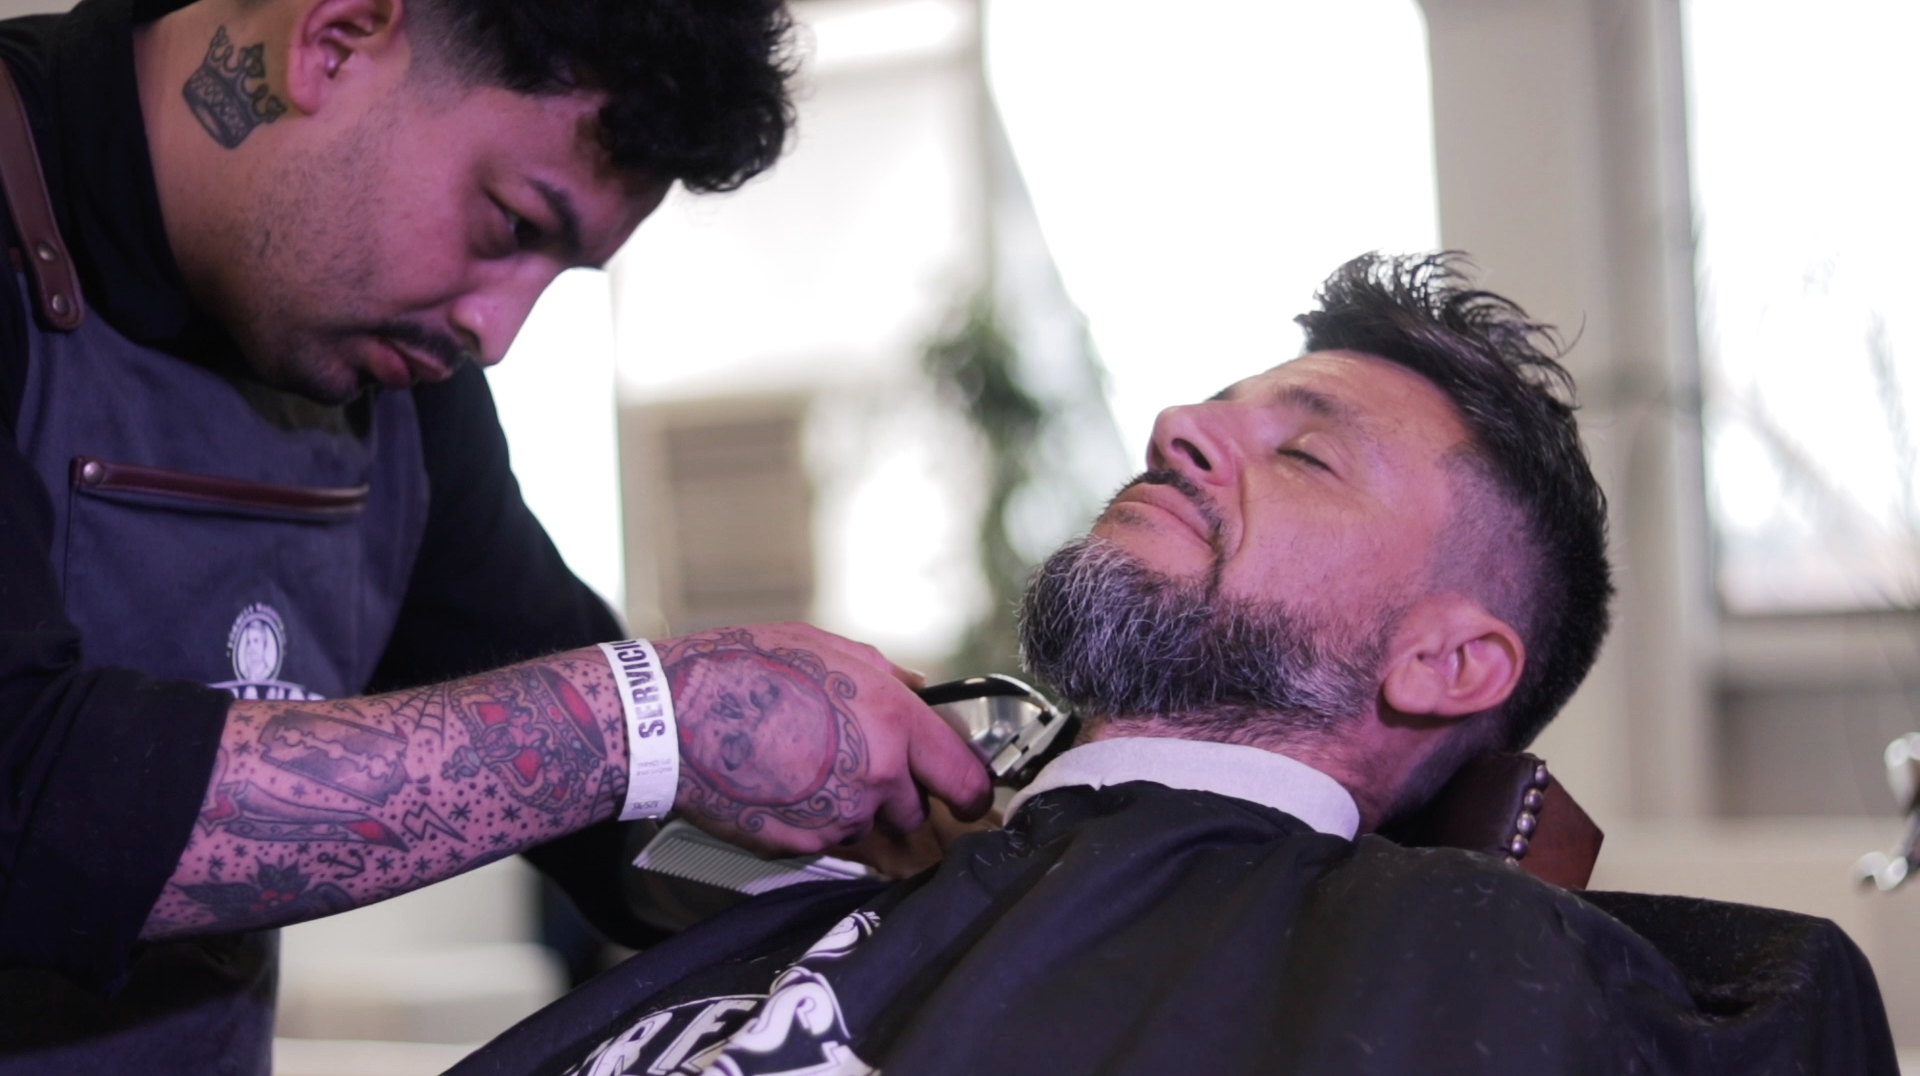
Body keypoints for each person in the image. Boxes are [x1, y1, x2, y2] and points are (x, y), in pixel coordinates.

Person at [441, 253, 1898, 1076]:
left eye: (1304, 452)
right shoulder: (888, 870)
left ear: (1449, 660)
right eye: (1211, 408)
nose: (1176, 429)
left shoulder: (1454, 966)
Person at [0, 0, 989, 1071]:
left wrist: (843, 864)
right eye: (514, 225)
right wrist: (646, 717)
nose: (496, 332)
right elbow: (28, 795)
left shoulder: (396, 382)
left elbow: (613, 823)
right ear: (337, 38)